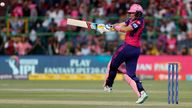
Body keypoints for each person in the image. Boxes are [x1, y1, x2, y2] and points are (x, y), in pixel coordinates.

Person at [102, 4, 148, 104]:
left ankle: (109, 85)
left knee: (113, 64)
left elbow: (126, 29)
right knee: (131, 74)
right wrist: (110, 27)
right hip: (135, 50)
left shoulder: (139, 22)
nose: (130, 14)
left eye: (132, 12)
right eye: (130, 12)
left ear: (138, 13)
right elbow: (122, 23)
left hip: (128, 47)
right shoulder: (132, 20)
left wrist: (117, 28)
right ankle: (142, 92)